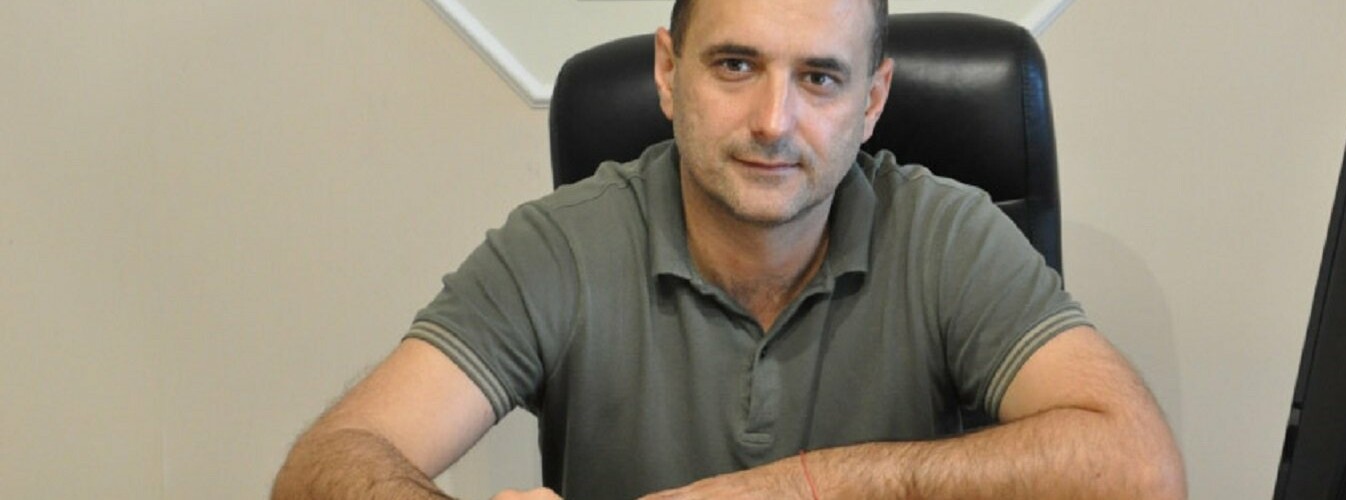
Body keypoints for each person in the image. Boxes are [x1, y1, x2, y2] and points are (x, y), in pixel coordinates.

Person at [272, 0, 1186, 497]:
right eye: (736, 65)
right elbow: (327, 463)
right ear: (670, 73)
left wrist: (807, 489)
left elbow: (1139, 470)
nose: (773, 121)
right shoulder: (559, 246)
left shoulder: (946, 233)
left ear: (871, 103)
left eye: (820, 78)